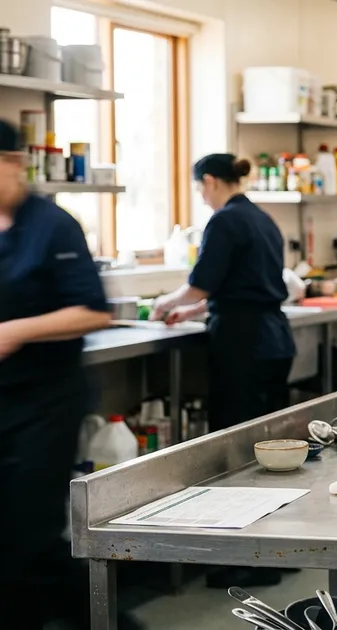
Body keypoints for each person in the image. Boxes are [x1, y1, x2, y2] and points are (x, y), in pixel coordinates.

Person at [0, 119, 142, 629]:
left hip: (46, 401)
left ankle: (111, 624)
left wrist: (15, 331)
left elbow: (93, 310)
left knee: (30, 533)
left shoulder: (52, 225)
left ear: (14, 164)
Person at [150, 153, 296, 588]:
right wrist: (193, 310)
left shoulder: (225, 220)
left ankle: (245, 561)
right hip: (273, 338)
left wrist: (165, 303)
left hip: (242, 342)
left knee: (236, 452)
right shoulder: (261, 218)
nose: (201, 196)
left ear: (210, 181)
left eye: (200, 188)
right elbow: (240, 284)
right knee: (269, 451)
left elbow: (202, 283)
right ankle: (277, 550)